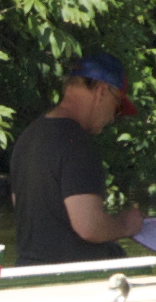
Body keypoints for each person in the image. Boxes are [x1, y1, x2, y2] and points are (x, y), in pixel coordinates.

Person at [9, 55, 148, 264]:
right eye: (117, 105)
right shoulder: (78, 143)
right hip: (74, 279)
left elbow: (19, 205)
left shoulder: (29, 136)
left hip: (28, 270)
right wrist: (126, 225)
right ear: (102, 91)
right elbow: (89, 227)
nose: (113, 117)